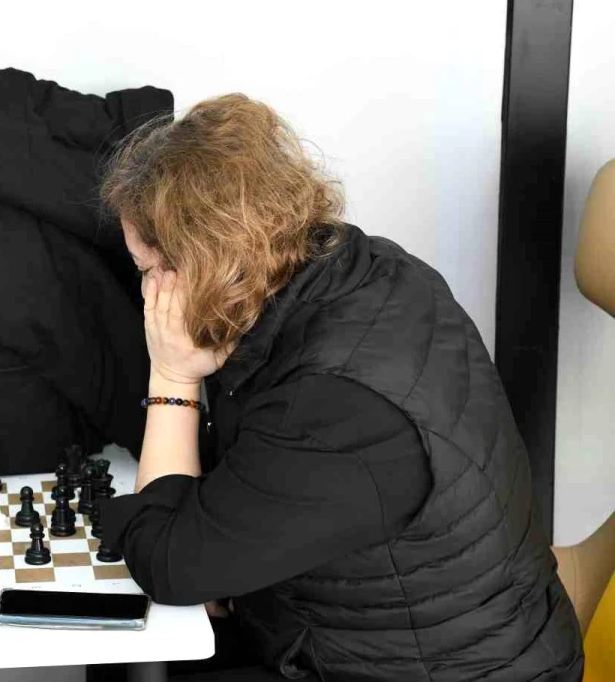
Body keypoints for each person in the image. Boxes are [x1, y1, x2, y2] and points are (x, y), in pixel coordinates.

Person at [100, 95, 584, 681]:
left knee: (130, 652)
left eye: (148, 270)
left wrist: (173, 376)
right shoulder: (364, 268)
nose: (146, 292)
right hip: (413, 639)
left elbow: (171, 568)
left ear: (205, 264)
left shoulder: (334, 404)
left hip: (445, 672)